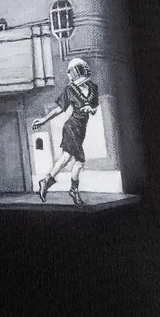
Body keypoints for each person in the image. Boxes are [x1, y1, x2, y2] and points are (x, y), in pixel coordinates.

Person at [32, 58, 98, 206]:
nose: (73, 76)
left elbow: (94, 108)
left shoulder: (93, 88)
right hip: (71, 127)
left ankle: (46, 181)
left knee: (66, 157)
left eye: (75, 72)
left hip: (81, 129)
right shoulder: (70, 90)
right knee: (80, 161)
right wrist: (43, 120)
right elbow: (59, 109)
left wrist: (90, 109)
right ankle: (74, 190)